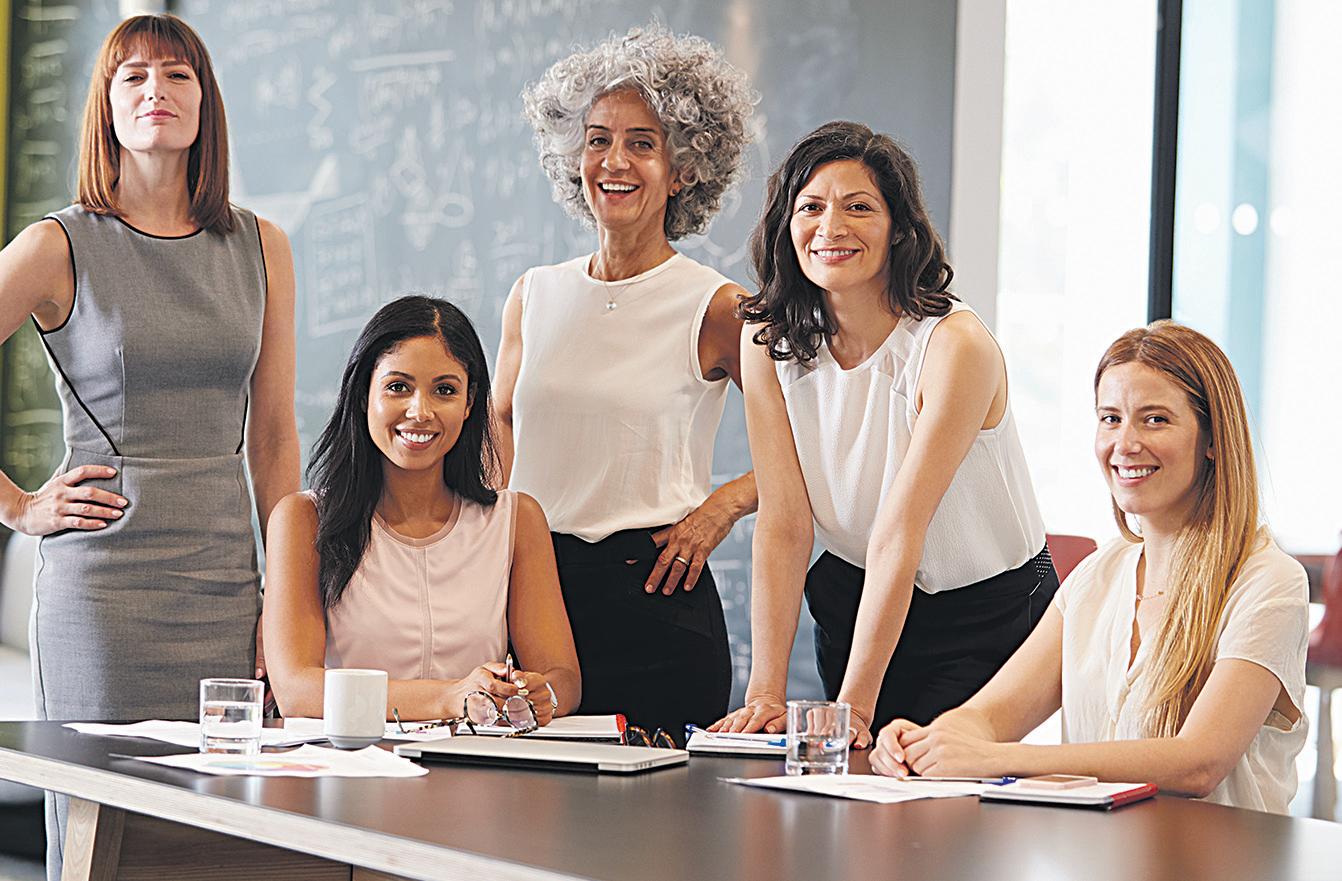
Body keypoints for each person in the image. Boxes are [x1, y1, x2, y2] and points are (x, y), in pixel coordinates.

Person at [0, 14, 299, 878]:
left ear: (205, 103)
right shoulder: (60, 243)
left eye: (176, 75)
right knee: (106, 842)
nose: (154, 92)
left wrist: (283, 598)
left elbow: (275, 439)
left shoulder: (261, 246)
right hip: (101, 599)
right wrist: (20, 506)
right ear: (105, 107)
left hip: (224, 589)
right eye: (131, 77)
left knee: (219, 843)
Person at [870, 321, 1309, 814]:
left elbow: (1198, 762)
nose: (1125, 443)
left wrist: (997, 759)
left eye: (1156, 419)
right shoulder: (1096, 577)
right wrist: (926, 741)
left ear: (1212, 438)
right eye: (1110, 418)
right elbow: (986, 717)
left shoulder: (1269, 581)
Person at [713, 122, 1055, 747]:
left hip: (985, 608)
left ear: (900, 228)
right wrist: (764, 691)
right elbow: (787, 522)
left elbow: (902, 531)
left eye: (859, 207)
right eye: (810, 207)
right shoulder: (768, 340)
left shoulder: (955, 346)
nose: (831, 228)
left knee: (936, 795)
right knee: (857, 804)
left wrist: (854, 711)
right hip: (855, 589)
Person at [493, 25, 758, 740]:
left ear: (685, 169)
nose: (615, 161)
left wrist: (721, 508)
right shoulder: (533, 293)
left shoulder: (717, 306)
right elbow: (498, 434)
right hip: (534, 599)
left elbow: (811, 444)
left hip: (658, 602)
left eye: (643, 142)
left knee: (653, 845)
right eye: (598, 139)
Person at [263, 296, 580, 727]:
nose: (420, 411)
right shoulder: (302, 519)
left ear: (470, 404)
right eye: (398, 387)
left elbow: (562, 679)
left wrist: (539, 695)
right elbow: (297, 690)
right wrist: (449, 698)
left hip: (478, 773)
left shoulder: (516, 519)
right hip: (352, 775)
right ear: (363, 395)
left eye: (445, 390)